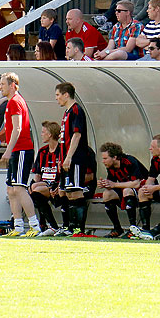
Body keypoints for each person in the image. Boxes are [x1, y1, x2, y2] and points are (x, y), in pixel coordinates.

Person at [56, 82, 95, 236]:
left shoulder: (76, 110)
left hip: (76, 158)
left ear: (66, 94)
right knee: (65, 192)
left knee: (76, 191)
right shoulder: (67, 112)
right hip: (67, 158)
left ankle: (79, 229)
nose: (56, 98)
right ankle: (69, 227)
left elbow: (77, 135)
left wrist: (69, 157)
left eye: (58, 95)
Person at [97, 141, 148, 238]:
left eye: (105, 158)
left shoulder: (129, 161)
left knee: (127, 190)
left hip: (143, 190)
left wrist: (114, 184)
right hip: (126, 190)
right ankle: (117, 228)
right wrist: (105, 184)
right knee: (107, 194)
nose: (103, 161)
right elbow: (112, 183)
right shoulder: (111, 166)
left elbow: (136, 183)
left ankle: (133, 229)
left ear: (115, 157)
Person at [29, 121, 63, 235]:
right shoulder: (42, 151)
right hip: (44, 185)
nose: (41, 134)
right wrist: (30, 186)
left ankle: (51, 226)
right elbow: (37, 175)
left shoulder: (62, 151)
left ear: (50, 134)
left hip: (58, 186)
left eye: (43, 132)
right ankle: (46, 226)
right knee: (33, 188)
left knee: (36, 190)